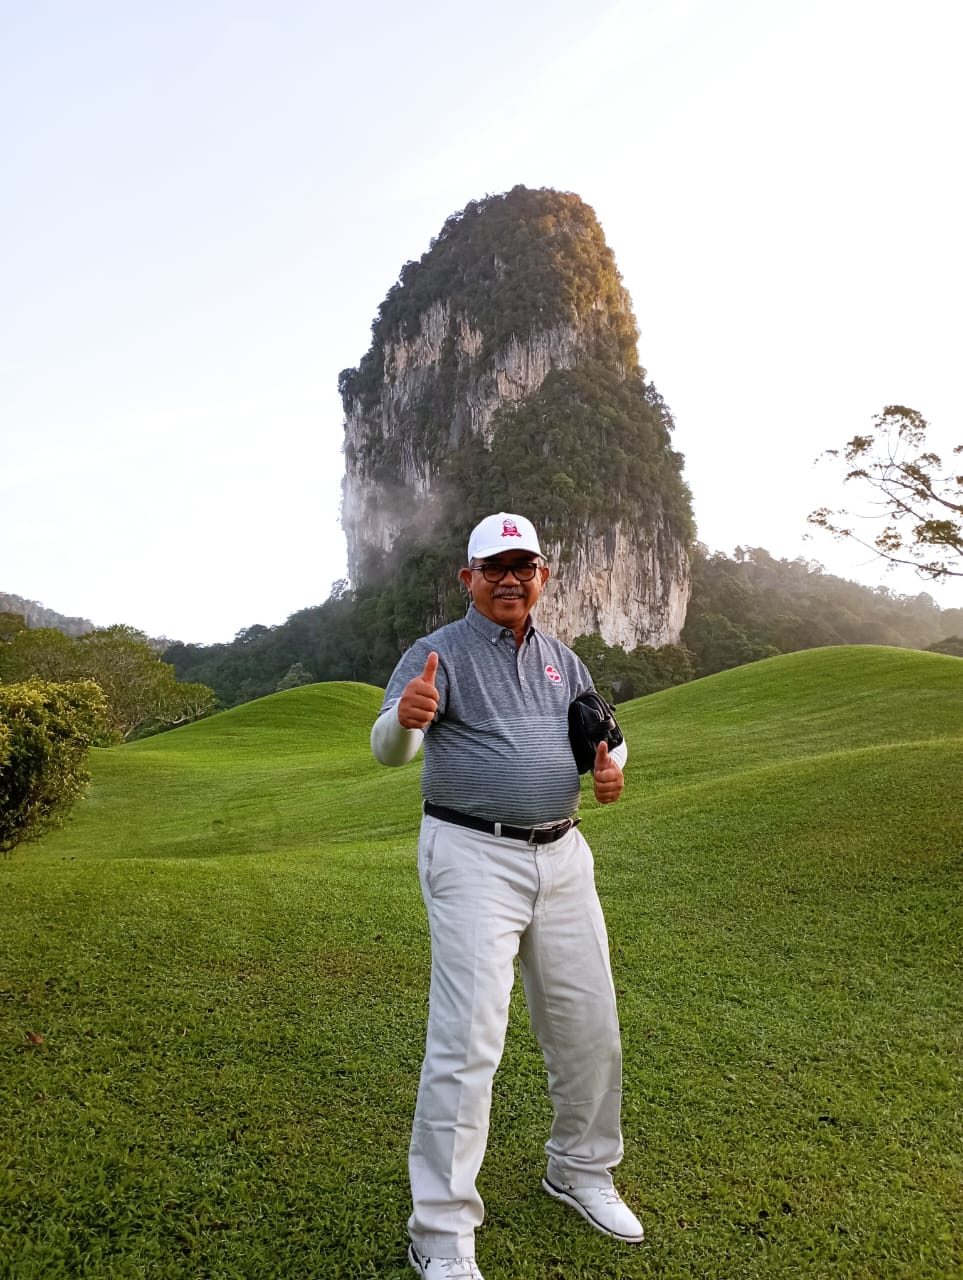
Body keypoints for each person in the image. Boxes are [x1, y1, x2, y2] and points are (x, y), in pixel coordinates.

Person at [371, 512, 643, 1280]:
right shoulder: (436, 653)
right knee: (466, 1043)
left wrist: (612, 767)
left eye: (523, 566)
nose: (510, 579)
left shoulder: (563, 659)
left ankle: (580, 1169)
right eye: (494, 567)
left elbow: (604, 735)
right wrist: (405, 720)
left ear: (542, 576)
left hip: (563, 854)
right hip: (470, 852)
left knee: (589, 1026)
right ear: (469, 578)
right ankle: (441, 1232)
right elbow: (390, 747)